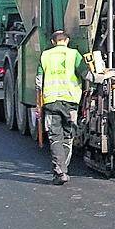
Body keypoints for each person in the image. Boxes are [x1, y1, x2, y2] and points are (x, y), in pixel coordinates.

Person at [35, 30, 87, 185]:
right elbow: (85, 74)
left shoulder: (45, 56)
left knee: (55, 137)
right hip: (70, 103)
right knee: (68, 135)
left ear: (53, 42)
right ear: (67, 40)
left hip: (51, 103)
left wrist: (38, 105)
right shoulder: (74, 55)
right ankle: (63, 169)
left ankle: (60, 171)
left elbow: (38, 82)